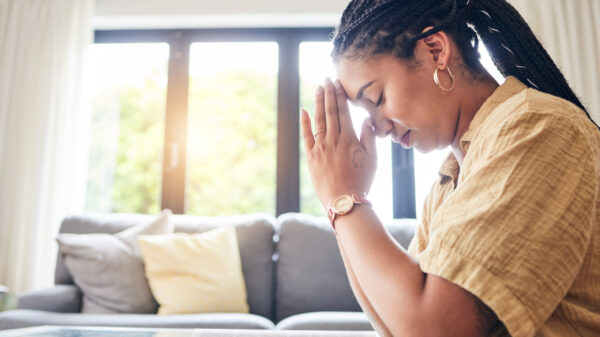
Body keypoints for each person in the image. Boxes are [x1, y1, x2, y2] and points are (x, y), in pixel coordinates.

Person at [300, 0, 600, 336]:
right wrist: (339, 201)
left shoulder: (538, 126)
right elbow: (393, 325)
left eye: (378, 99)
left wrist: (345, 198)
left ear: (436, 50)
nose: (380, 129)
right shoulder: (447, 183)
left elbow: (435, 329)